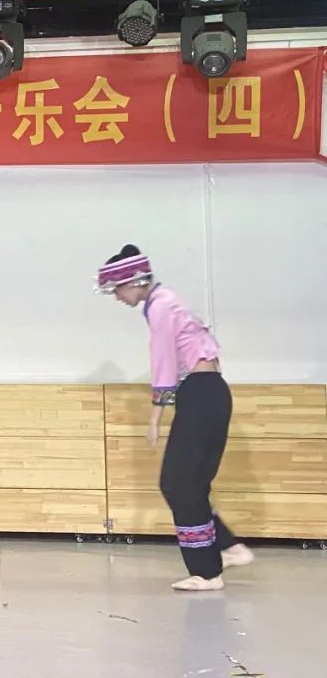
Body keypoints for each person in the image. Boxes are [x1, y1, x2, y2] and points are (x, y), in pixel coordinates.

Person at [96, 245, 253, 591]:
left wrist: (155, 415)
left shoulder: (161, 305)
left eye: (118, 289)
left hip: (201, 392)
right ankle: (223, 552)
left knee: (177, 483)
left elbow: (163, 359)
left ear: (134, 281)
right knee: (189, 484)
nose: (118, 297)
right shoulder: (166, 302)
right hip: (208, 392)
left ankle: (212, 565)